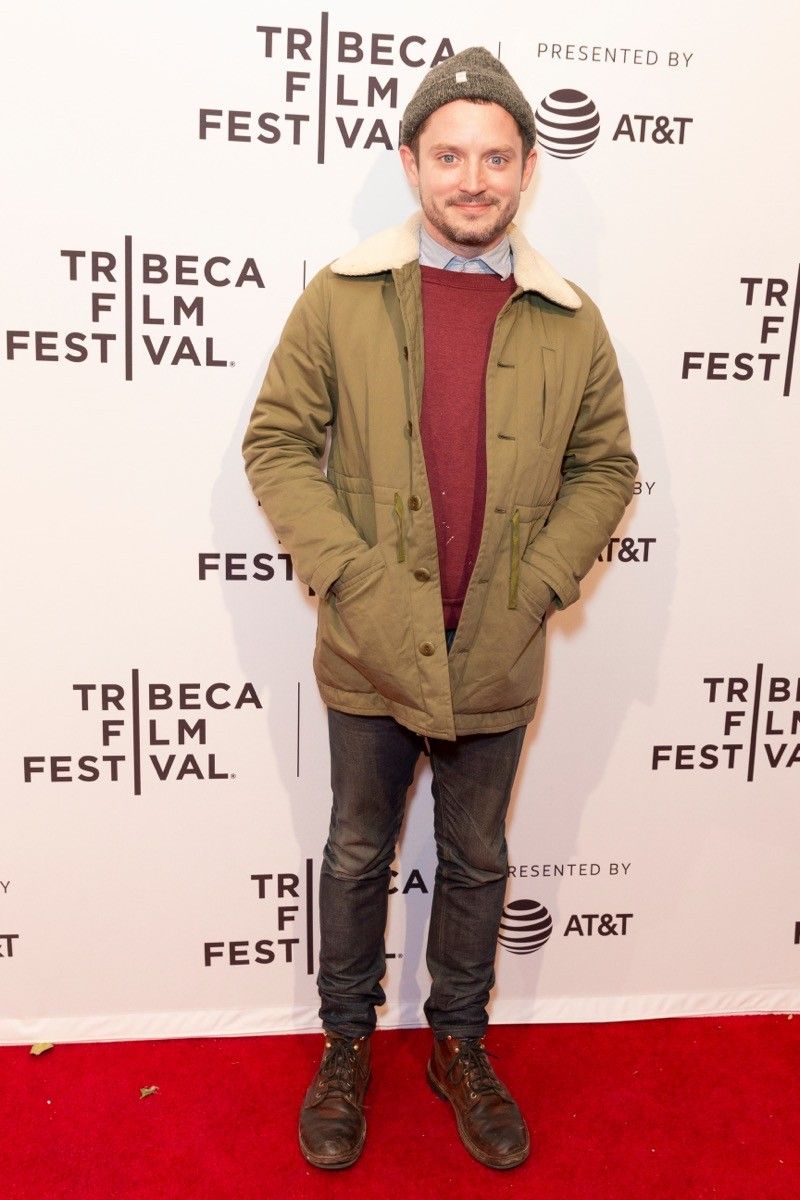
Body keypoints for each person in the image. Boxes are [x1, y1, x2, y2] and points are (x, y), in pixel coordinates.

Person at [243, 46, 637, 1171]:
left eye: (496, 157)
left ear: (525, 170)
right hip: (368, 650)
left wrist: (533, 587)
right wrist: (354, 578)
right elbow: (275, 444)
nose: (473, 179)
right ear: (411, 162)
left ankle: (457, 1042)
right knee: (356, 851)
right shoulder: (342, 297)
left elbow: (604, 469)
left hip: (499, 649)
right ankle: (346, 1045)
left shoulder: (570, 319)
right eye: (450, 155)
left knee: (474, 860)